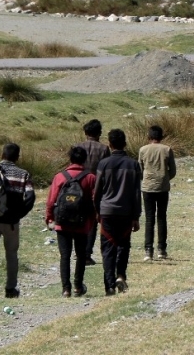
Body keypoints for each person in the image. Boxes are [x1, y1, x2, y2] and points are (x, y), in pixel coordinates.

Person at [0, 143, 35, 299]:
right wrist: (19, 214)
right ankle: (10, 288)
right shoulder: (23, 174)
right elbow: (30, 197)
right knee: (11, 254)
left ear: (2, 155)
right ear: (17, 157)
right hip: (11, 222)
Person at [94, 129, 141, 296]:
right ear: (125, 144)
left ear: (109, 144)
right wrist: (136, 216)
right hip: (126, 212)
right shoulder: (133, 164)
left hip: (107, 211)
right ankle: (121, 275)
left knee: (108, 248)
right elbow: (137, 193)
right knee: (123, 245)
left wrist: (97, 210)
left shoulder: (103, 164)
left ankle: (109, 286)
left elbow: (97, 191)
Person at [45, 146, 96, 298]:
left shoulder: (60, 177)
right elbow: (95, 202)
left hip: (62, 222)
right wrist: (92, 221)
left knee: (65, 256)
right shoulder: (91, 178)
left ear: (70, 159)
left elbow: (51, 201)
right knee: (81, 255)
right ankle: (78, 286)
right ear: (84, 159)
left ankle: (66, 289)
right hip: (82, 223)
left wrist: (49, 218)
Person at [138, 125, 176, 261]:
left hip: (147, 188)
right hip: (163, 188)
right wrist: (164, 178)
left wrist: (146, 179)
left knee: (149, 219)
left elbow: (140, 169)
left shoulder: (143, 150)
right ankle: (162, 249)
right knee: (161, 217)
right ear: (161, 137)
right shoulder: (167, 149)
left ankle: (148, 250)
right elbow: (173, 171)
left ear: (149, 137)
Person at [77, 119, 111, 266]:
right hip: (97, 188)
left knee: (78, 220)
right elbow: (107, 171)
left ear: (85, 133)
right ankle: (87, 254)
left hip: (78, 187)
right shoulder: (104, 149)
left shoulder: (78, 147)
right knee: (92, 221)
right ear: (99, 133)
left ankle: (79, 251)